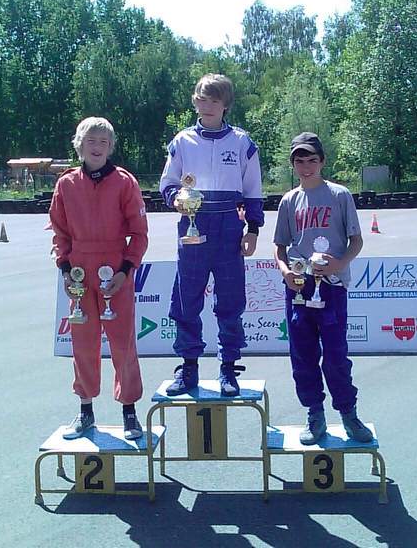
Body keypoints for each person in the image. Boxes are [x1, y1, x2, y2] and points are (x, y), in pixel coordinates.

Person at [159, 73, 264, 396]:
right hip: (193, 224)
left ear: (225, 105)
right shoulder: (182, 141)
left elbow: (253, 189)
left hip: (229, 227)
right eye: (202, 99)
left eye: (214, 101)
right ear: (194, 100)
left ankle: (228, 367)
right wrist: (176, 197)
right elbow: (167, 182)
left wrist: (253, 229)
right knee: (186, 296)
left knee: (230, 298)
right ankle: (188, 366)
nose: (207, 106)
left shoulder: (243, 143)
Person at [49, 116, 149, 440]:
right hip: (79, 272)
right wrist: (65, 268)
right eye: (91, 140)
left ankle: (129, 412)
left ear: (111, 147)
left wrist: (125, 270)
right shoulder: (65, 184)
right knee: (83, 344)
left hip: (114, 271)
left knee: (122, 343)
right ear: (79, 144)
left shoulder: (124, 182)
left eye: (104, 142)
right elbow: (59, 231)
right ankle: (85, 410)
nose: (97, 147)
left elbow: (139, 233)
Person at [273, 132, 374, 445]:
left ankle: (348, 412)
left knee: (335, 356)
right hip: (300, 288)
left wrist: (338, 264)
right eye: (300, 161)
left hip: (330, 288)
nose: (306, 166)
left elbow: (357, 241)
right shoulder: (289, 200)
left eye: (312, 160)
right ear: (293, 164)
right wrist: (287, 272)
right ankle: (314, 413)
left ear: (322, 161)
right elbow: (279, 247)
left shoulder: (340, 195)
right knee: (302, 355)